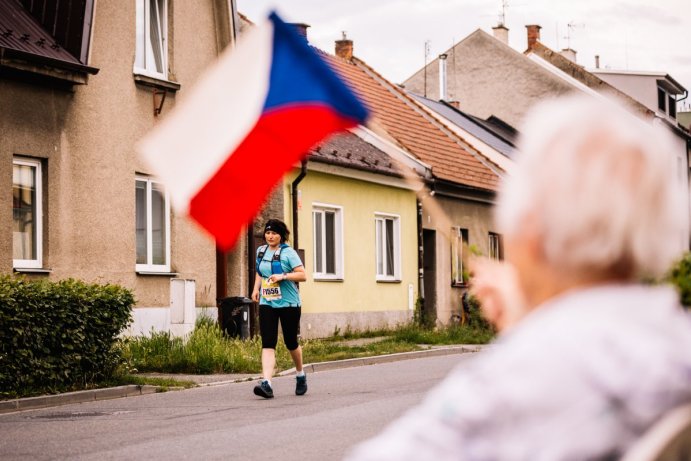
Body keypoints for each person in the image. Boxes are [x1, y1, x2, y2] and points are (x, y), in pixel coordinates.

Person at [345, 95, 691, 460]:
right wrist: (533, 319)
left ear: (531, 227)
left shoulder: (519, 379)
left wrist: (529, 337)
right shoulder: (676, 342)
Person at [251, 219, 307, 399]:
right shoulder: (261, 251)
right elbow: (260, 271)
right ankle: (266, 383)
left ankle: (300, 374)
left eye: (274, 233)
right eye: (267, 233)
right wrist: (255, 289)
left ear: (281, 235)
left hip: (289, 303)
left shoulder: (288, 253)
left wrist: (283, 276)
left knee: (291, 342)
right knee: (268, 342)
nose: (270, 236)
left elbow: (303, 275)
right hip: (268, 302)